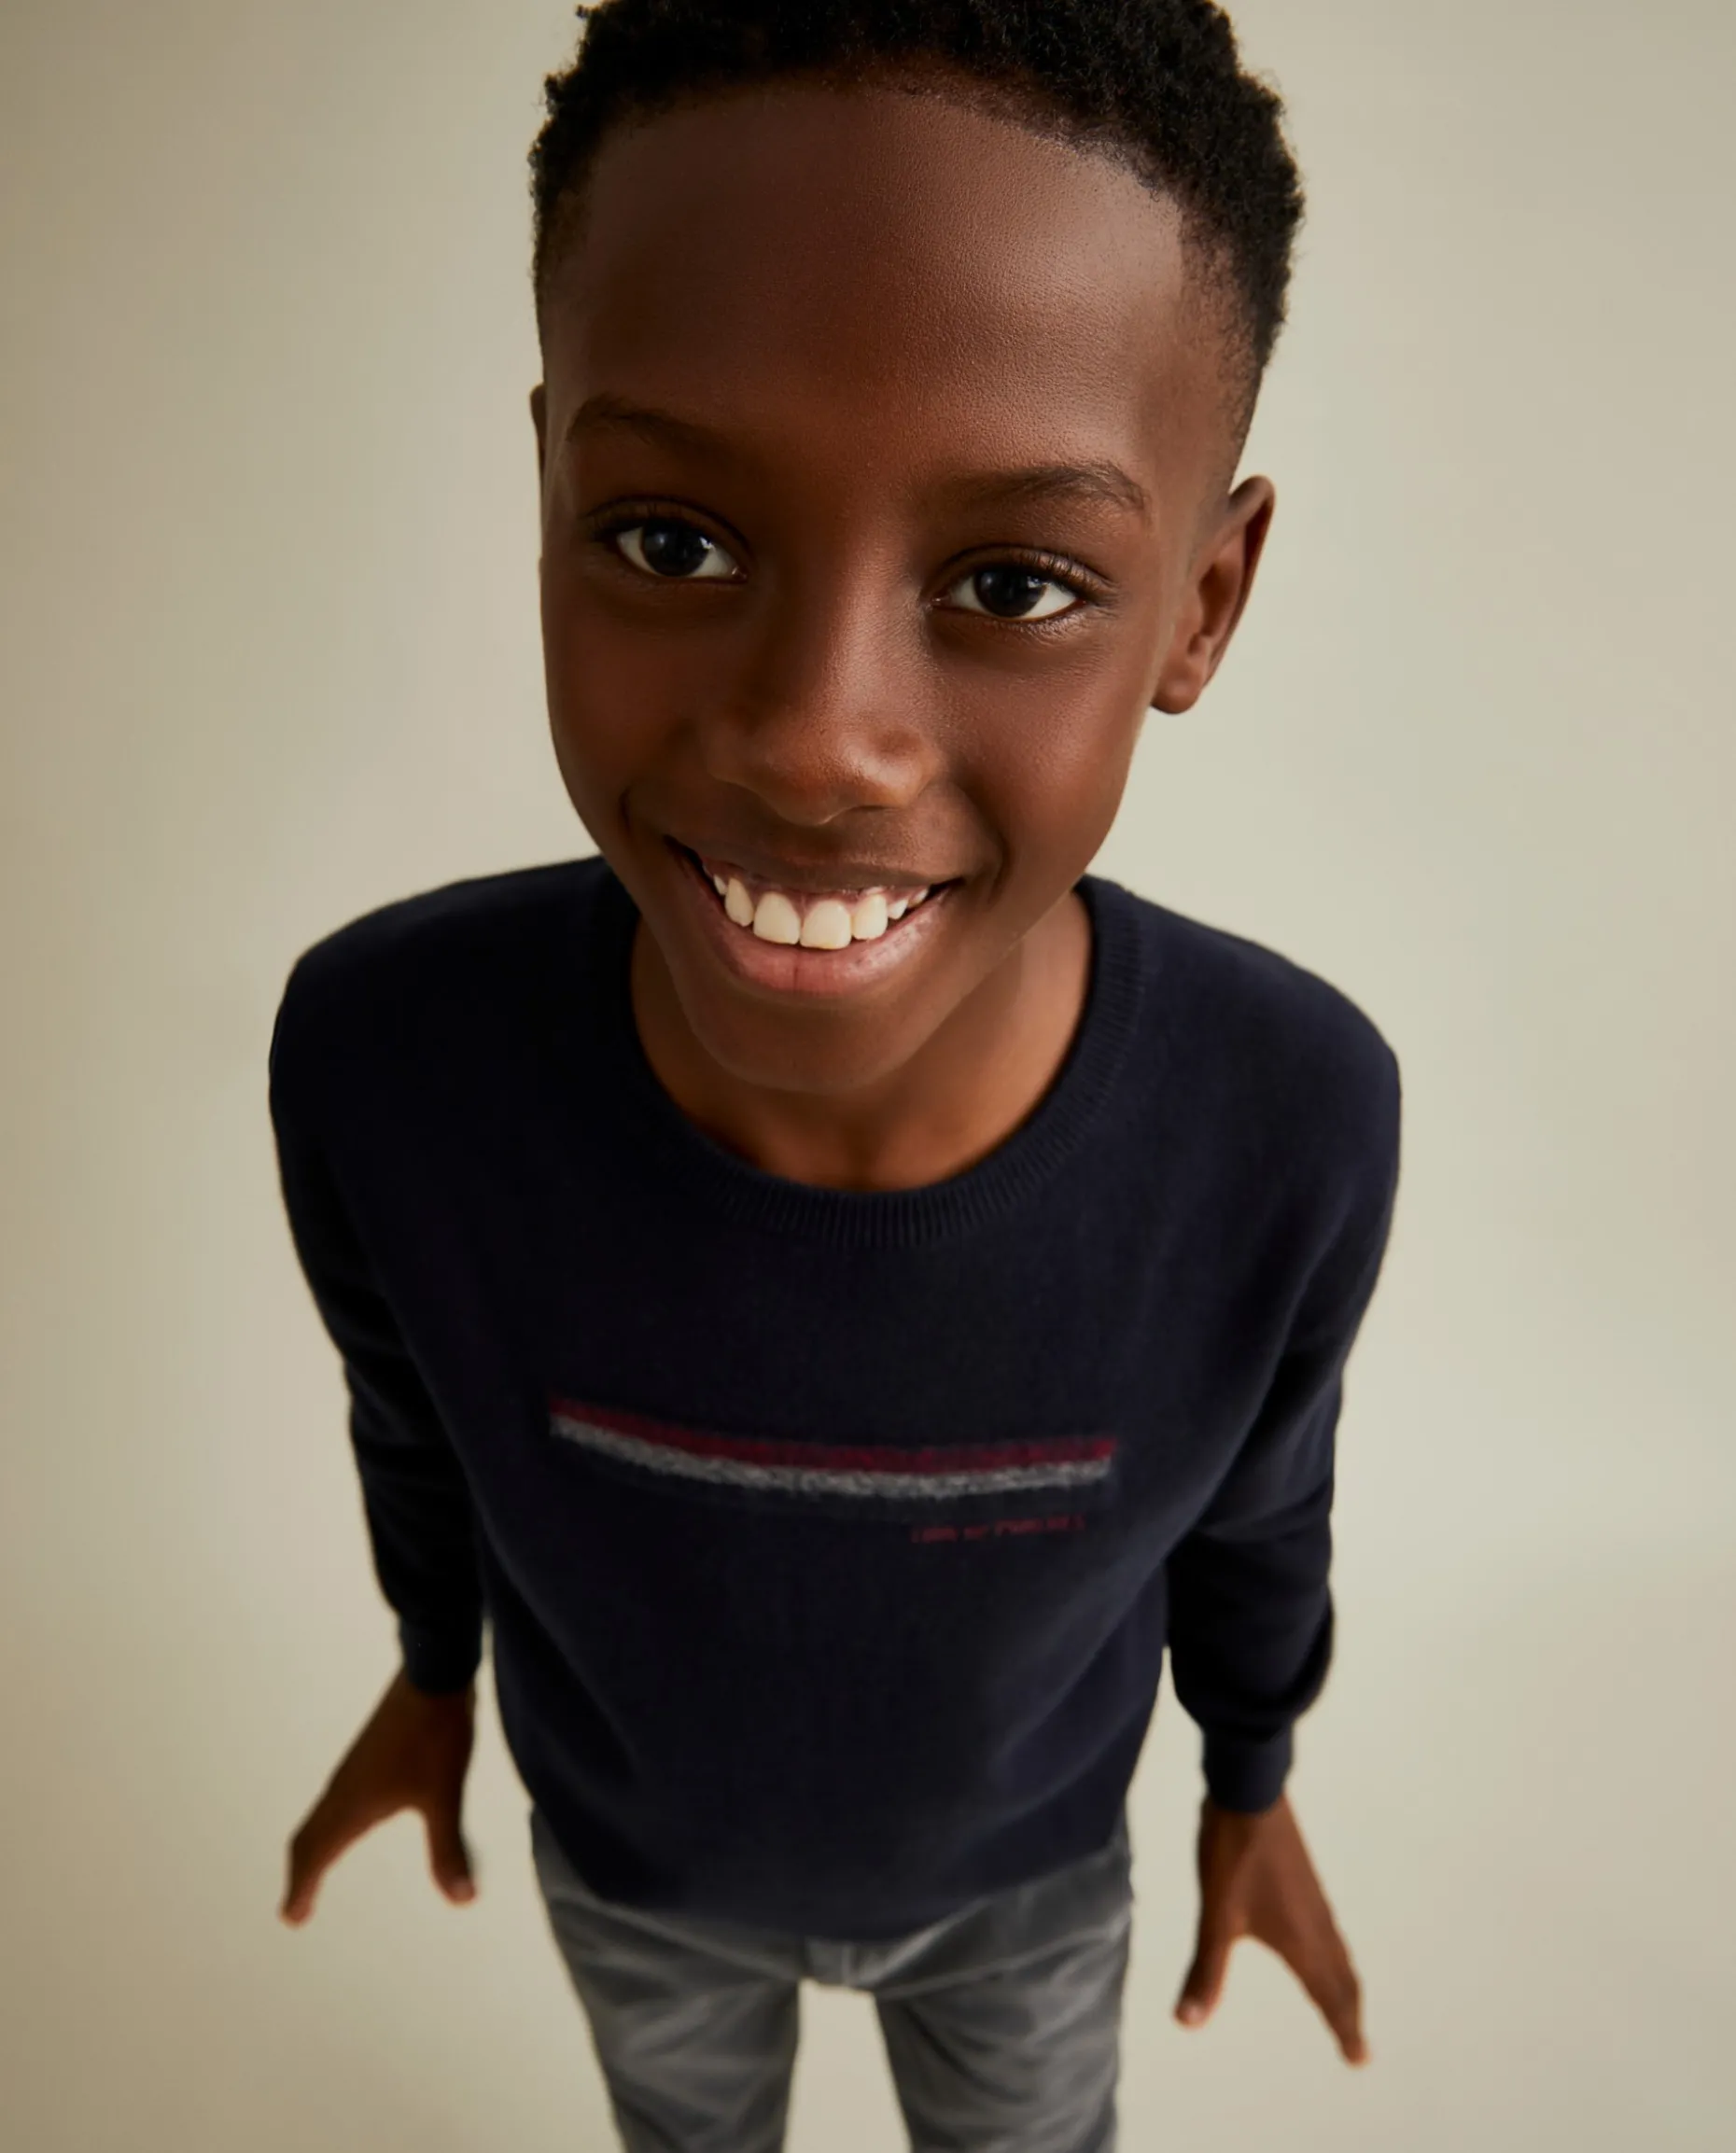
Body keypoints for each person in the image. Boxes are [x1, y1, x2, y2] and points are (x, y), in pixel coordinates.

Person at [265, 4, 1403, 2147]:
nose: (815, 739)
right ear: (547, 490)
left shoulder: (1286, 1120)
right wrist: (433, 1674)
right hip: (638, 1881)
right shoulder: (387, 1060)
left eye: (1012, 581)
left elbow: (1266, 1507)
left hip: (1028, 1899)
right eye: (671, 539)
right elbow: (414, 1422)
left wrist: (1252, 1781)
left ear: (1202, 600)